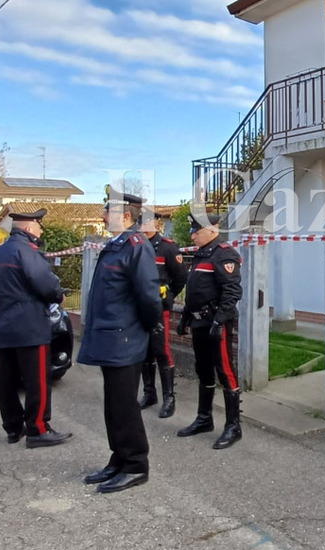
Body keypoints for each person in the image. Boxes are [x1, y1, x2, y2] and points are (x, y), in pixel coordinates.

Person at [77, 188, 162, 493]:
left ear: (126, 216)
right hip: (109, 336)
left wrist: (147, 328)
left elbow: (149, 297)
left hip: (125, 337)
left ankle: (136, 464)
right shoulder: (115, 244)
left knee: (124, 404)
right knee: (113, 404)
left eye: (107, 211)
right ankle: (119, 458)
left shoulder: (137, 246)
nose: (102, 216)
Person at [0, 208, 71, 448]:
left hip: (2, 326)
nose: (41, 231)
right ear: (30, 228)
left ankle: (13, 428)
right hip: (29, 328)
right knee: (38, 381)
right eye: (39, 226)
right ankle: (38, 429)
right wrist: (59, 296)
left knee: (6, 382)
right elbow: (46, 286)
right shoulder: (29, 253)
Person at [175, 212, 243, 450]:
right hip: (199, 323)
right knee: (203, 370)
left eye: (196, 231)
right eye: (192, 231)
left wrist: (219, 320)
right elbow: (194, 291)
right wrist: (184, 318)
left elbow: (232, 291)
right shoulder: (200, 255)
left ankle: (233, 426)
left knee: (225, 371)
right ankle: (204, 418)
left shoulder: (223, 253)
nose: (192, 235)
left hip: (217, 323)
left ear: (212, 230)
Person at [137, 208, 188, 417]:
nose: (144, 228)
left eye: (148, 224)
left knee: (162, 351)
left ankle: (169, 397)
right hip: (139, 308)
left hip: (159, 309)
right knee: (143, 352)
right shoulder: (137, 246)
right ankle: (150, 393)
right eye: (141, 224)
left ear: (157, 225)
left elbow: (180, 277)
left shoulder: (167, 248)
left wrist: (168, 297)